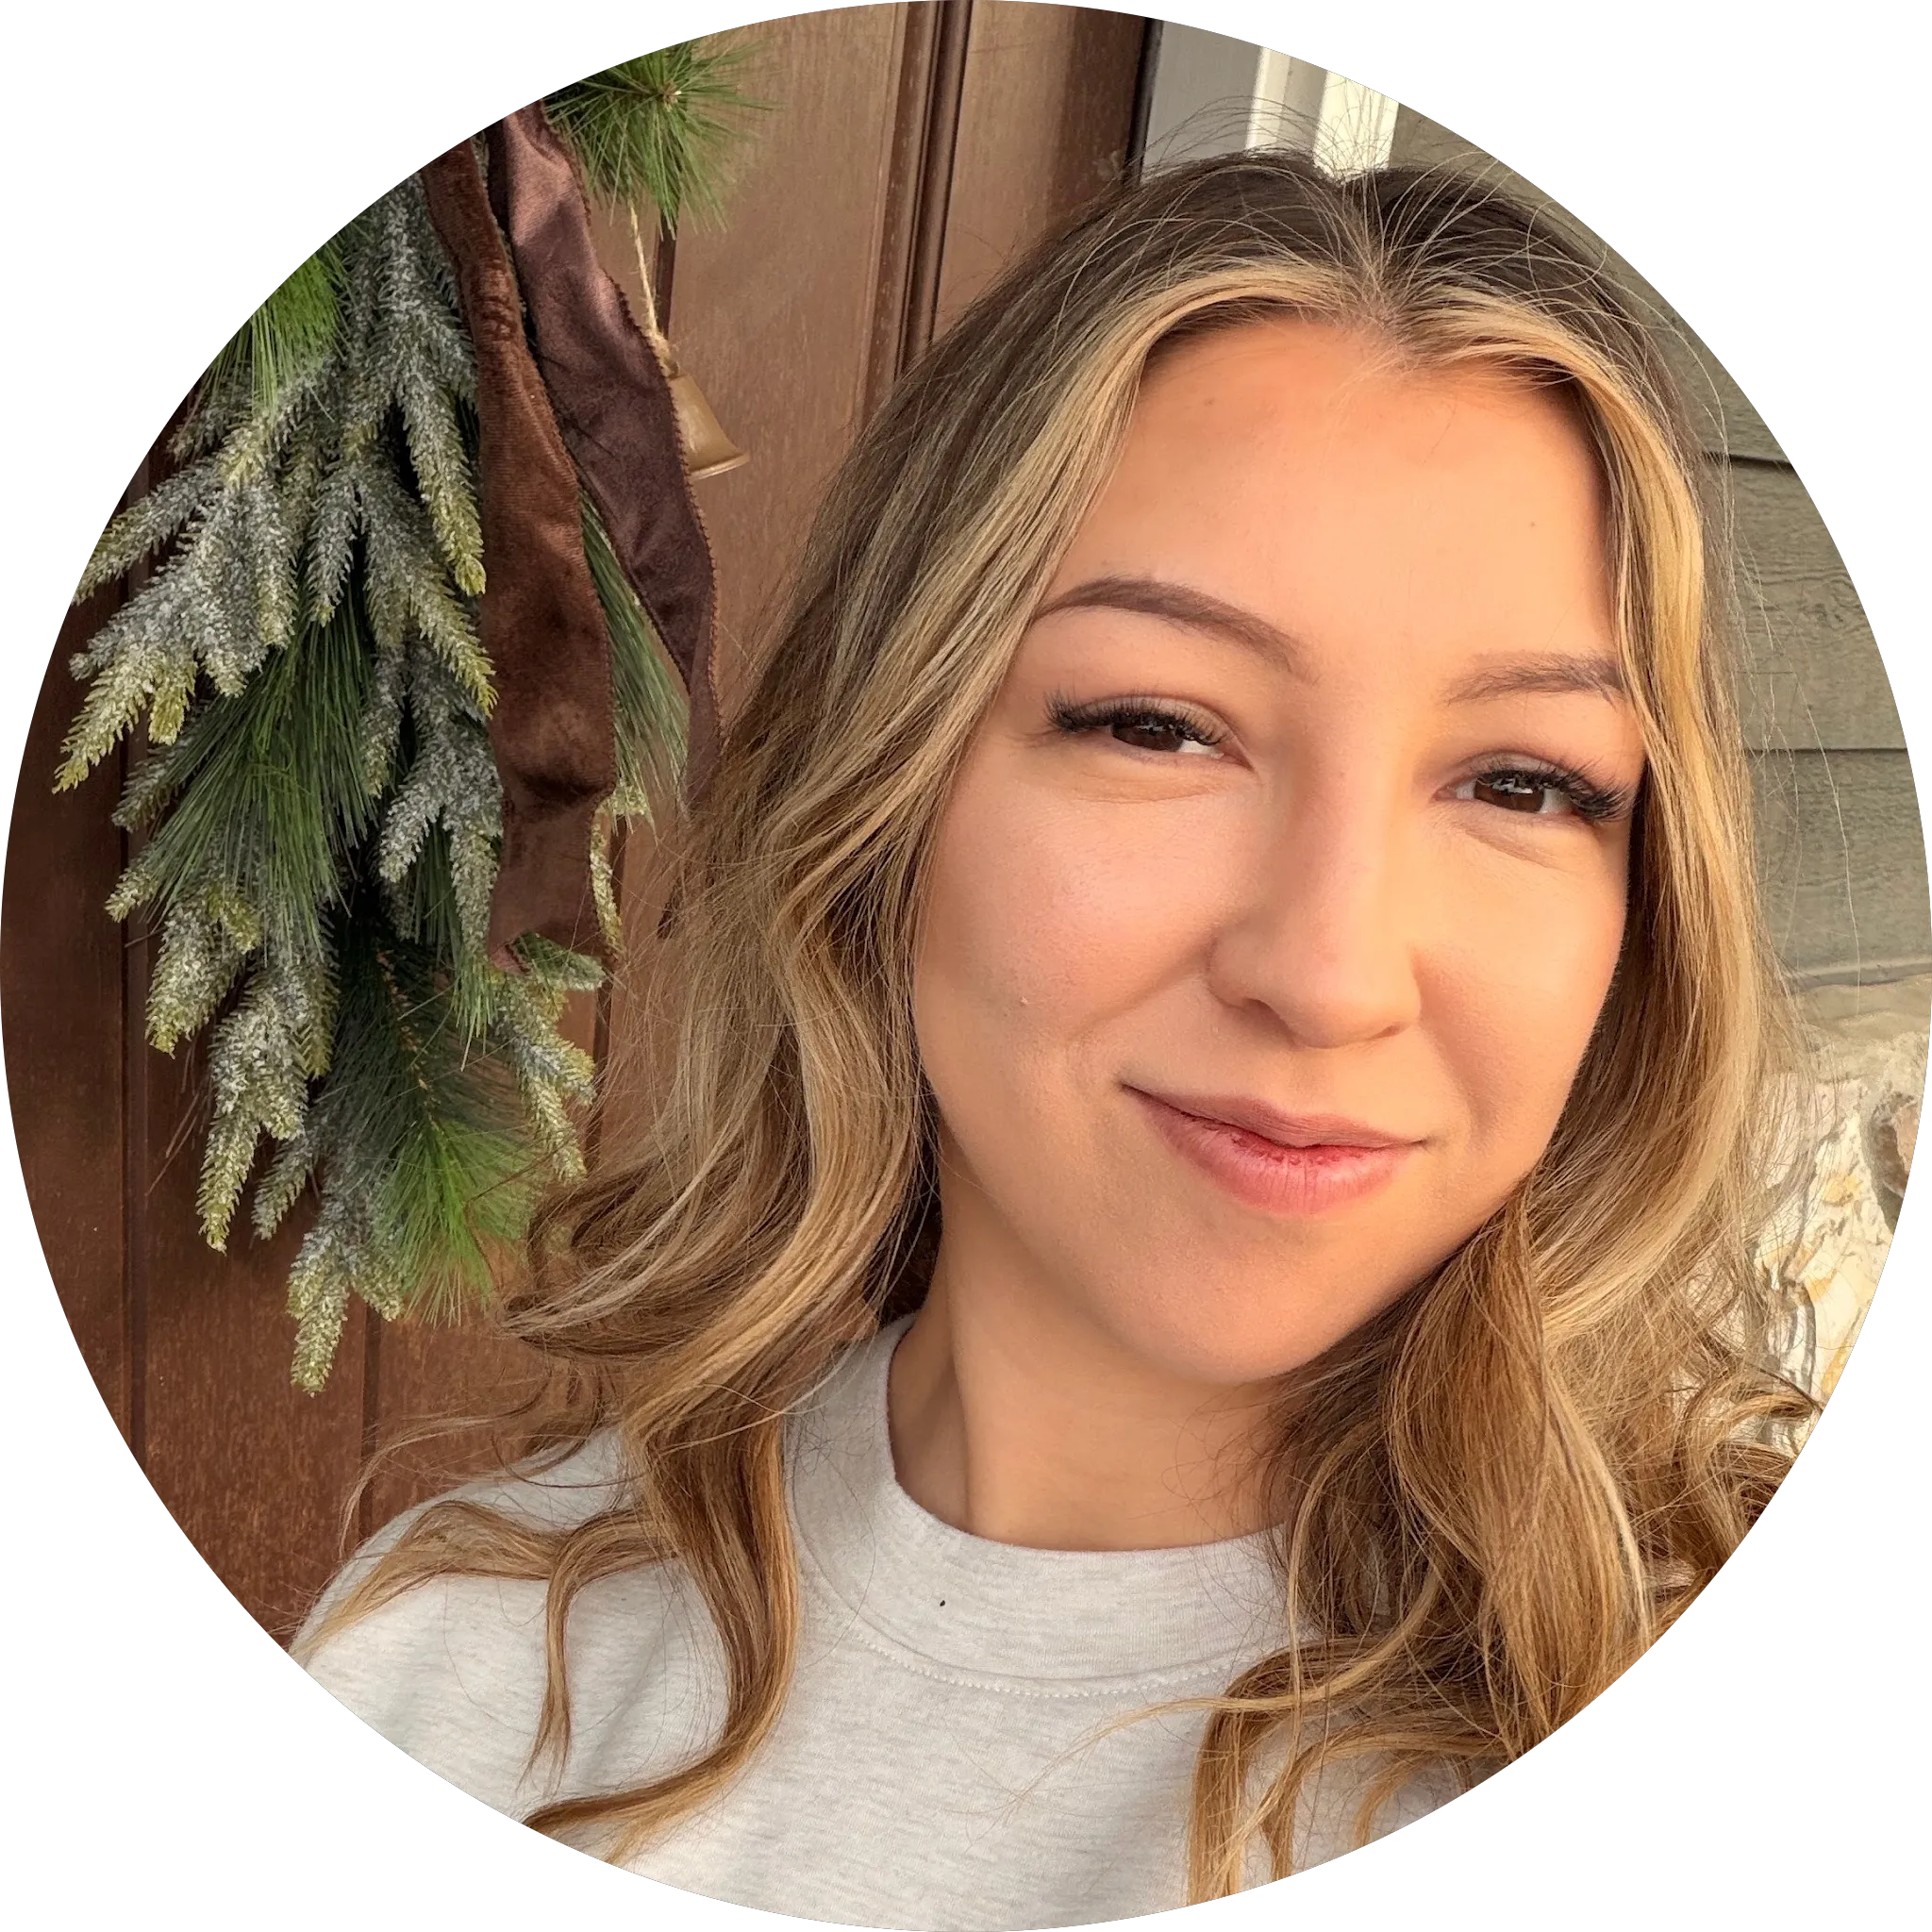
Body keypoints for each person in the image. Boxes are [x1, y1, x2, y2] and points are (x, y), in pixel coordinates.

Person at [294, 148, 1815, 1928]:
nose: (1330, 975)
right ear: (890, 787)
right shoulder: (457, 1669)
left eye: (1525, 782)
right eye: (1159, 726)